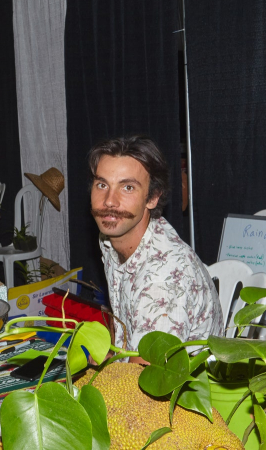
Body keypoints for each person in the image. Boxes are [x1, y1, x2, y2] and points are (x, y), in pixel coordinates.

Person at [88, 135, 223, 361]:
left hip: (179, 390)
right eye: (102, 185)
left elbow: (142, 385)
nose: (109, 201)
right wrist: (110, 349)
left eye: (128, 187)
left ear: (152, 198)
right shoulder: (115, 232)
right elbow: (125, 310)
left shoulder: (162, 282)